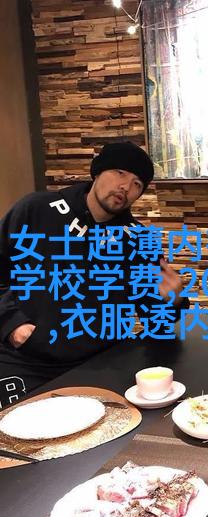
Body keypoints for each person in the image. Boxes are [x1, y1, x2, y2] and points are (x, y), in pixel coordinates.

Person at [0, 142, 185, 406]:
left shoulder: (138, 240)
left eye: (137, 184)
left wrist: (171, 300)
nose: (126, 187)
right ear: (97, 171)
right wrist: (12, 324)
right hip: (27, 362)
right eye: (120, 173)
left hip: (103, 365)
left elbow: (155, 325)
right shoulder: (37, 209)